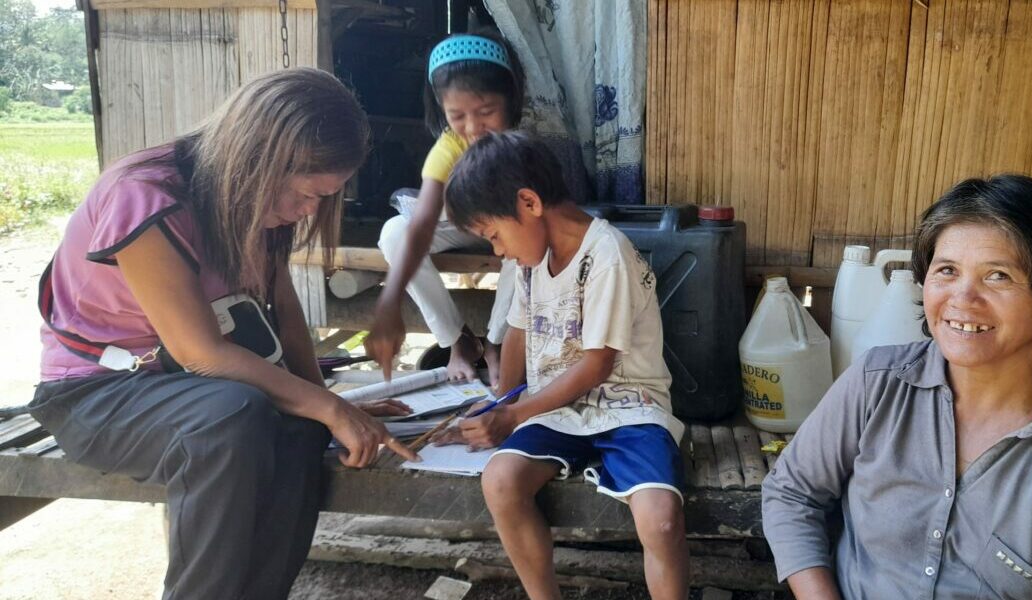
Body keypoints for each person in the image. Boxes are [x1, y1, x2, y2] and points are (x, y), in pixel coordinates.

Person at [28, 67, 419, 600]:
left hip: (199, 394)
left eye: (326, 198)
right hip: (97, 395)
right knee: (232, 417)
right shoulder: (144, 195)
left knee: (300, 428)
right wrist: (330, 408)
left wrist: (326, 406)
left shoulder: (261, 211)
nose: (311, 211)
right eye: (307, 194)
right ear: (259, 160)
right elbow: (199, 353)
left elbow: (284, 312)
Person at [761, 174, 1032, 599]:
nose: (962, 298)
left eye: (998, 276)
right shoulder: (876, 385)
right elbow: (792, 493)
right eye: (947, 270)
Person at [436, 131, 690, 600]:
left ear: (528, 202)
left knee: (661, 519)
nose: (498, 251)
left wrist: (514, 414)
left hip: (628, 407)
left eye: (494, 234)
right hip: (558, 410)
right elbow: (517, 332)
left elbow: (596, 366)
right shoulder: (532, 260)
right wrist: (497, 402)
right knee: (501, 481)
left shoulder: (607, 254)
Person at [367, 29, 525, 382]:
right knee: (395, 232)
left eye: (486, 111)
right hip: (462, 227)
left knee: (527, 246)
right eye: (457, 116)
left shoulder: (521, 146)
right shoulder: (448, 148)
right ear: (441, 110)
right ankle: (458, 342)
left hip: (510, 231)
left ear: (510, 100)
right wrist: (389, 300)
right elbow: (423, 222)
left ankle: (498, 342)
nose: (472, 128)